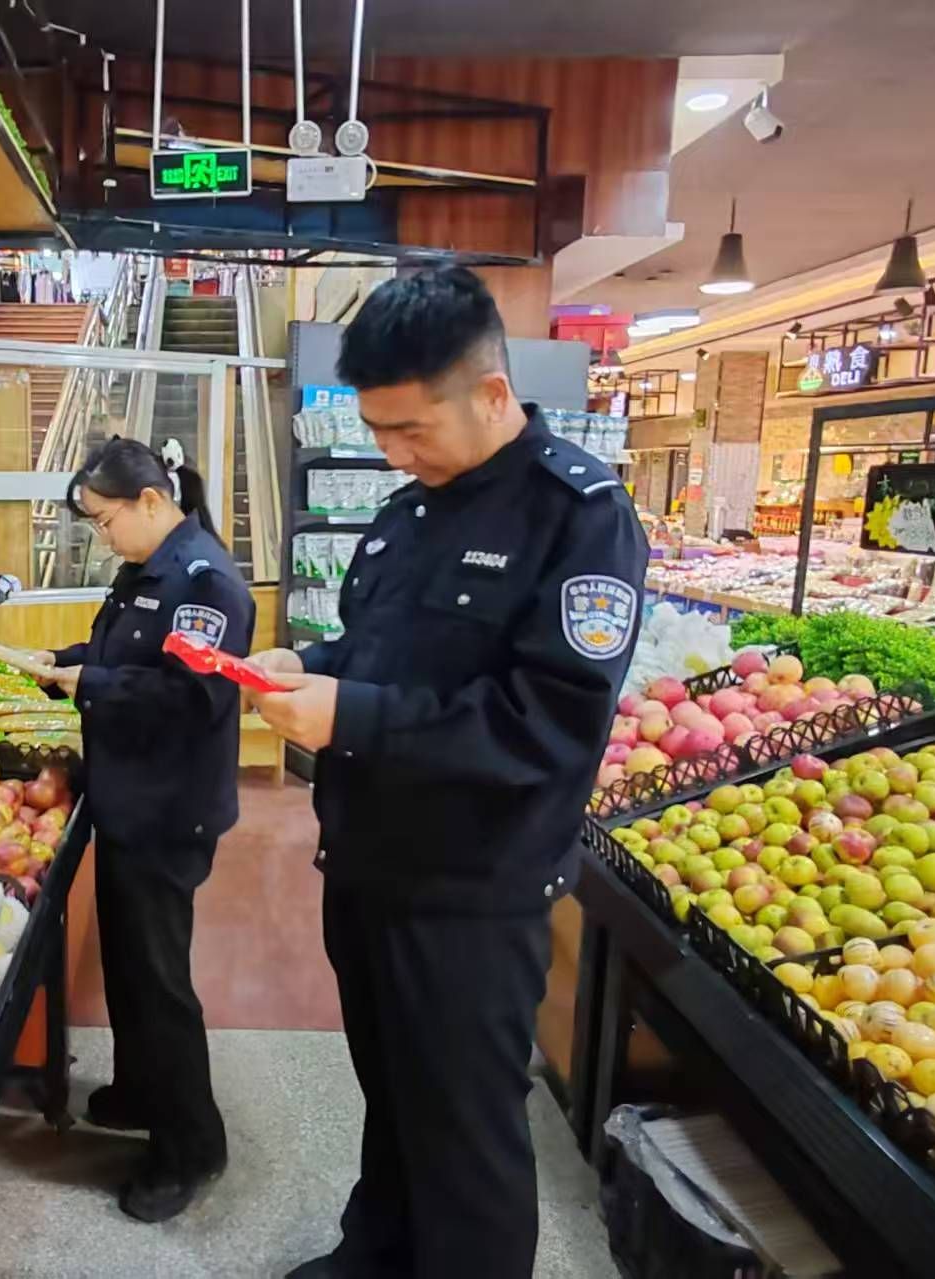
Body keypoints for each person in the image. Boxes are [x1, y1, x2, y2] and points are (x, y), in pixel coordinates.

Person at [249, 265, 649, 1278]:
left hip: (474, 892)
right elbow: (376, 656)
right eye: (377, 430)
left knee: (465, 1129)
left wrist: (353, 711)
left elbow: (544, 727)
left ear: (491, 394)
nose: (391, 452)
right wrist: (313, 668)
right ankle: (376, 1251)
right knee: (391, 1090)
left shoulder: (578, 516)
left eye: (410, 429)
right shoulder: (403, 511)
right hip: (369, 866)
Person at [36, 436, 254, 1223]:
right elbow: (120, 652)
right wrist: (62, 660)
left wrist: (88, 681)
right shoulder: (148, 568)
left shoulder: (205, 581)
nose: (102, 536)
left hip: (168, 809)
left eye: (103, 519)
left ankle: (191, 1145)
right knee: (130, 961)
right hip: (132, 797)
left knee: (159, 980)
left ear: (151, 502)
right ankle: (139, 1087)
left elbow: (188, 695)